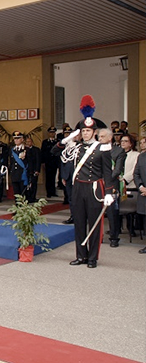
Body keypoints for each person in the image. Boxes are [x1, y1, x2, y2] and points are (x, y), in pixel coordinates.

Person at [67, 95, 113, 268]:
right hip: (78, 187)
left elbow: (108, 172)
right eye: (83, 131)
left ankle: (92, 257)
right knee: (79, 222)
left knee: (94, 223)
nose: (85, 133)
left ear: (95, 132)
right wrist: (66, 140)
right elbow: (57, 154)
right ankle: (81, 255)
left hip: (94, 188)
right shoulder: (77, 147)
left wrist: (109, 192)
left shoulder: (103, 148)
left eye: (88, 131)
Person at [97, 129, 126, 248]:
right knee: (96, 211)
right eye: (99, 136)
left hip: (111, 185)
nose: (100, 138)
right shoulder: (95, 149)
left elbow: (117, 170)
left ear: (110, 138)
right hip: (97, 184)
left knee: (112, 212)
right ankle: (98, 236)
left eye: (102, 136)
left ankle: (114, 237)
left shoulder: (118, 151)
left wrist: (105, 180)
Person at [120, 133, 139, 237]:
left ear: (131, 144)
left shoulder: (136, 155)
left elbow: (134, 170)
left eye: (125, 141)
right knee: (117, 206)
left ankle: (131, 228)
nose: (123, 142)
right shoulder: (117, 153)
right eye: (122, 141)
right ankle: (117, 228)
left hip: (130, 185)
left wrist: (123, 179)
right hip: (117, 185)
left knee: (129, 208)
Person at [133, 139, 146, 254]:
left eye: (144, 142)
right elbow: (136, 174)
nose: (142, 145)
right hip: (143, 192)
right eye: (141, 143)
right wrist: (141, 186)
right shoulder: (141, 157)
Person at [8, 131, 28, 198]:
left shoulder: (26, 149)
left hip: (22, 174)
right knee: (16, 193)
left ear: (22, 139)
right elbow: (11, 162)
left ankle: (23, 207)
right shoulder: (12, 150)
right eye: (15, 138)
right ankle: (17, 206)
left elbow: (30, 162)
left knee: (23, 193)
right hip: (14, 174)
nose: (16, 140)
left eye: (18, 138)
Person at [40, 127, 59, 199]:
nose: (52, 134)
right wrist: (43, 162)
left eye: (53, 132)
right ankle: (48, 192)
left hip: (54, 162)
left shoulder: (57, 141)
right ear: (49, 133)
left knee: (54, 177)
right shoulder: (45, 142)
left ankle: (53, 191)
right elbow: (43, 153)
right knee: (48, 177)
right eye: (51, 132)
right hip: (48, 162)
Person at [24, 137, 41, 202]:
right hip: (26, 170)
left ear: (32, 142)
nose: (28, 143)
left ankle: (33, 197)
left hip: (33, 170)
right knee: (26, 184)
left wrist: (37, 170)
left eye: (29, 141)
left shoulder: (36, 150)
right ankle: (27, 197)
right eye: (27, 142)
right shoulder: (24, 149)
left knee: (33, 184)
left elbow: (38, 160)